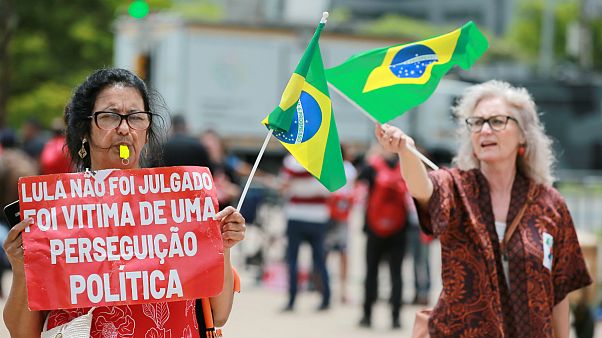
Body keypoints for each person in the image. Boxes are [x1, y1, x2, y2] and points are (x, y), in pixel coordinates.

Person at [2, 68, 246, 337]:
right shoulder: (56, 215)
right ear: (85, 130)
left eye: (136, 117)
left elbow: (218, 314)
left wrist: (221, 246)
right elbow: (21, 332)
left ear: (147, 129)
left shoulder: (179, 207)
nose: (124, 128)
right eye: (109, 116)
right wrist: (22, 268)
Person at [376, 80, 592, 337]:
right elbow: (422, 188)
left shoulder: (550, 205)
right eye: (477, 123)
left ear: (523, 133)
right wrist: (405, 152)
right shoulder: (456, 187)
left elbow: (559, 291)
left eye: (497, 121)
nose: (485, 130)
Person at [357, 148, 409, 330]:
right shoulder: (405, 168)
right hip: (399, 230)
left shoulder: (373, 167)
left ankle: (366, 315)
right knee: (397, 275)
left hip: (374, 229)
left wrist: (372, 156)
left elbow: (359, 180)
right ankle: (396, 318)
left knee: (371, 273)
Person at [280, 154, 331, 312]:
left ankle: (292, 299)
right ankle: (326, 298)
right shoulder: (324, 160)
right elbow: (331, 190)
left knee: (293, 259)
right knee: (320, 260)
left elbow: (284, 187)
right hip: (318, 215)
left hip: (296, 214)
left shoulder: (291, 161)